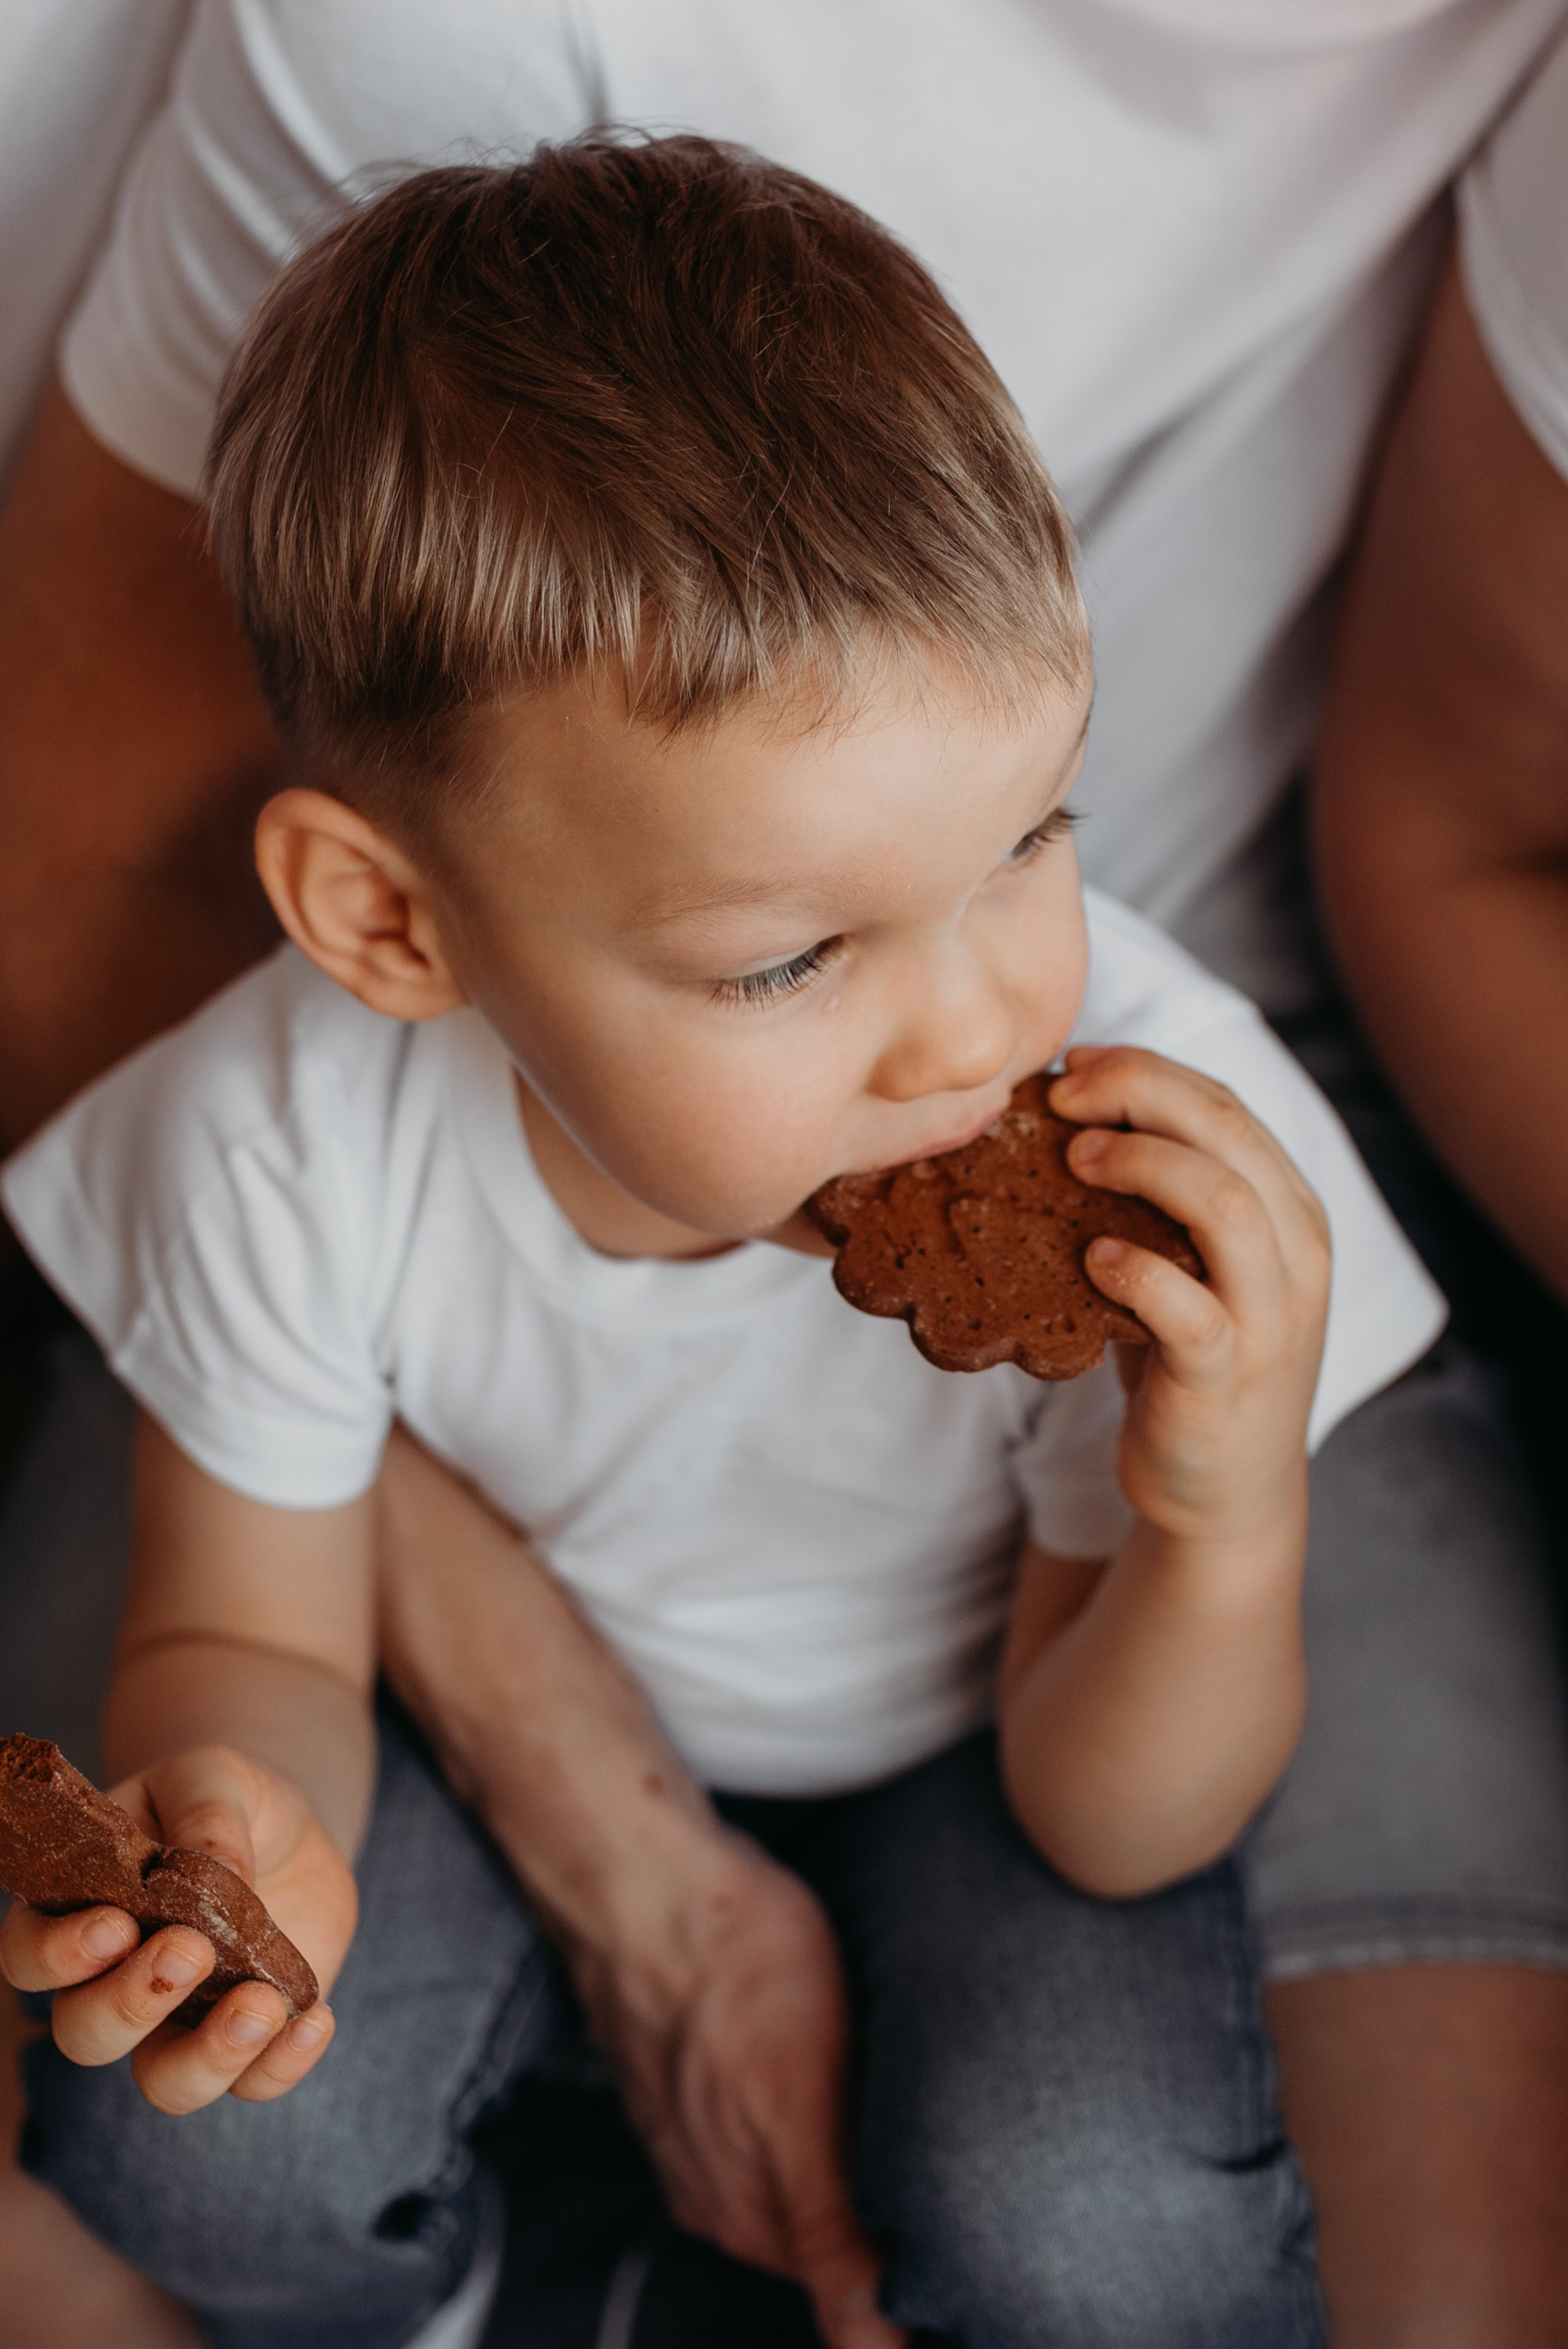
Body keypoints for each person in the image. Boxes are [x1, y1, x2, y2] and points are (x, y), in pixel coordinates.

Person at [3, 7, 1568, 2344]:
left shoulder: (1138, 1139)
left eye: (1031, 836)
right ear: (393, 925)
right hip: (500, 1710)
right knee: (200, 2147)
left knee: (1106, 2233)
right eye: (785, 959)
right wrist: (236, 1805)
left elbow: (1105, 1809)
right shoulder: (278, 1132)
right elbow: (247, 1622)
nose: (971, 1026)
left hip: (982, 1749)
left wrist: (1216, 1510)